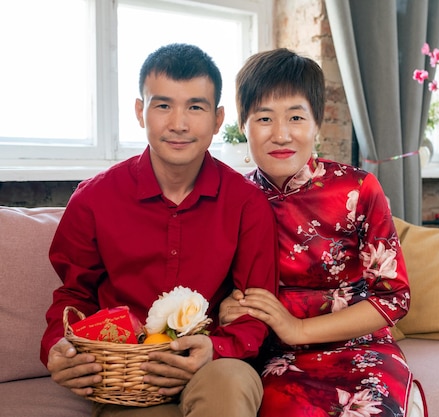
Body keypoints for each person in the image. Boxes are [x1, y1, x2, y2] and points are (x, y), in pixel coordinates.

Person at [40, 43, 279, 417]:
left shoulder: (247, 204)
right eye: (163, 105)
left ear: (218, 120)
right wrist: (59, 347)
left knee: (229, 388)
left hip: (216, 365)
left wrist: (216, 349)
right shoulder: (93, 199)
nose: (179, 124)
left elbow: (256, 308)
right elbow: (73, 295)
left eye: (195, 107)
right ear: (141, 112)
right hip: (127, 376)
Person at [220, 48, 427, 417]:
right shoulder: (232, 198)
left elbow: (393, 298)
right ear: (243, 125)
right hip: (271, 354)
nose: (281, 134)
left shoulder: (358, 189)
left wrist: (298, 328)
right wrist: (227, 306)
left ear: (317, 123)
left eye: (296, 117)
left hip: (359, 347)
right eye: (264, 118)